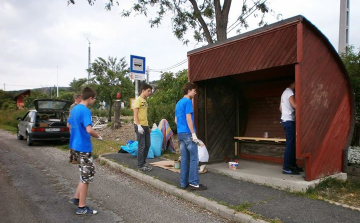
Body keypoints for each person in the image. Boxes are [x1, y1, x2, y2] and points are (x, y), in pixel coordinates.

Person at [68, 87, 102, 215]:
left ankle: (77, 198)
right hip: (83, 147)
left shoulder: (74, 109)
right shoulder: (85, 111)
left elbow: (69, 125)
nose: (94, 101)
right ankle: (82, 207)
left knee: (83, 173)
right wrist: (97, 136)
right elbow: (89, 130)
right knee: (86, 177)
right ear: (90, 98)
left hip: (74, 145)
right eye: (94, 99)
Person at [175, 82, 207, 190]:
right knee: (194, 158)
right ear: (189, 91)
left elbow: (176, 120)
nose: (195, 93)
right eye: (194, 91)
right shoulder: (188, 101)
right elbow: (189, 118)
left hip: (180, 134)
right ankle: (194, 183)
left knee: (184, 159)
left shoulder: (178, 103)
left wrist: (181, 128)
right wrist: (194, 134)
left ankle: (183, 183)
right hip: (188, 134)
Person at [280, 81, 303, 175]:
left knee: (292, 144)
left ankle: (292, 165)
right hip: (289, 121)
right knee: (290, 144)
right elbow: (295, 105)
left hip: (285, 120)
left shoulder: (284, 93)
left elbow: (280, 108)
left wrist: (287, 112)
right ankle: (286, 167)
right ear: (293, 83)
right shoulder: (289, 91)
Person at [133, 84, 153, 171]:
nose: (149, 93)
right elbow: (135, 114)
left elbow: (144, 115)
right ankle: (140, 165)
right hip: (139, 125)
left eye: (150, 91)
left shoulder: (145, 101)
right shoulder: (138, 100)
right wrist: (138, 125)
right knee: (142, 145)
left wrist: (147, 127)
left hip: (145, 125)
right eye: (148, 91)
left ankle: (144, 163)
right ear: (143, 90)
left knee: (148, 145)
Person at [69, 94, 82, 164]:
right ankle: (74, 158)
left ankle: (71, 157)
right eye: (80, 98)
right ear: (76, 99)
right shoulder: (74, 106)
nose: (81, 99)